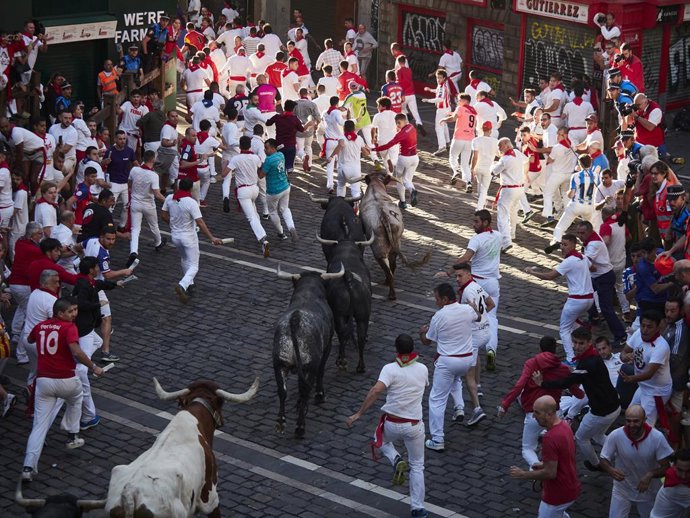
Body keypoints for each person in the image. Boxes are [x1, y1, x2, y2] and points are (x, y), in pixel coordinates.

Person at [20, 297, 104, 482]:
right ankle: (72, 434)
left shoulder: (41, 326)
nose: (74, 314)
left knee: (39, 426)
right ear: (59, 313)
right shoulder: (69, 328)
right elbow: (77, 351)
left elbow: (30, 339)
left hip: (44, 382)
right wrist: (94, 367)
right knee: (76, 399)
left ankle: (28, 466)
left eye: (75, 310)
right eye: (70, 311)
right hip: (66, 379)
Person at [346, 334, 430, 518]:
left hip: (392, 423)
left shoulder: (389, 369)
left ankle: (395, 459)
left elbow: (376, 390)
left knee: (380, 440)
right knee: (417, 466)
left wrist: (359, 413)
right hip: (415, 426)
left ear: (396, 350)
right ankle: (418, 508)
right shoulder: (423, 369)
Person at [533, 327, 621, 473]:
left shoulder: (586, 363)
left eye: (581, 343)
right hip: (613, 406)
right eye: (575, 342)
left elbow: (566, 383)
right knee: (598, 435)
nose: (577, 347)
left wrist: (542, 383)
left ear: (589, 343)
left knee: (581, 438)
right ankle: (620, 454)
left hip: (601, 411)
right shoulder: (593, 357)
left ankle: (597, 464)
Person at [419, 283, 484, 453]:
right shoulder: (466, 309)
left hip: (448, 362)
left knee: (437, 399)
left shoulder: (439, 316)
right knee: (456, 380)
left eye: (437, 298)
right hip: (467, 360)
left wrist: (421, 332)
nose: (436, 301)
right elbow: (478, 316)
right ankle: (459, 407)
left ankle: (437, 438)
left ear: (445, 299)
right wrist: (473, 307)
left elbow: (427, 341)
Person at [525, 234, 594, 361]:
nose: (562, 247)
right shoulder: (583, 257)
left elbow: (550, 276)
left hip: (577, 300)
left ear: (574, 245)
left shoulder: (569, 261)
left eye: (565, 245)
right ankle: (585, 335)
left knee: (564, 329)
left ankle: (571, 358)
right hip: (589, 299)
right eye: (561, 244)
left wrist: (532, 272)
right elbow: (593, 267)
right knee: (573, 321)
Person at [509, 395, 581, 517]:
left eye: (537, 413)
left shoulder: (550, 438)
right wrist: (543, 463)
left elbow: (550, 473)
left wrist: (523, 474)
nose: (533, 416)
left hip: (557, 493)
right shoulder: (564, 426)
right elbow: (564, 457)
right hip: (570, 487)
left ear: (549, 414)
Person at [72, 256, 120, 430]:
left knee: (98, 341)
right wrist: (96, 304)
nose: (99, 269)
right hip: (84, 329)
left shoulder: (89, 281)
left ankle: (81, 361)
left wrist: (116, 284)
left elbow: (100, 285)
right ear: (92, 269)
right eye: (96, 267)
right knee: (82, 371)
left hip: (88, 328)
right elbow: (82, 303)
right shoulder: (83, 285)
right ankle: (82, 364)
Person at [600, 405, 673, 518]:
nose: (631, 425)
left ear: (644, 420)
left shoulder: (657, 438)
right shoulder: (616, 435)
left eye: (636, 421)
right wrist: (610, 470)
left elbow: (666, 467)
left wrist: (650, 474)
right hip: (622, 489)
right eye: (628, 421)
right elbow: (604, 458)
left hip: (648, 491)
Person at [161, 178, 223, 303]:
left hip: (175, 236)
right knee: (194, 265)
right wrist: (211, 237)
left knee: (184, 259)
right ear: (190, 189)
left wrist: (172, 225)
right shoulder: (191, 202)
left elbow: (163, 215)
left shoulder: (169, 198)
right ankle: (183, 284)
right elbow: (199, 222)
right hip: (188, 237)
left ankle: (190, 283)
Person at [83, 224, 133, 362]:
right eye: (108, 239)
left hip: (85, 281)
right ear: (101, 237)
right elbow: (108, 275)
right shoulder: (103, 254)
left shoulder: (91, 241)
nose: (111, 242)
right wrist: (124, 271)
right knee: (107, 317)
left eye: (113, 239)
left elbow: (78, 247)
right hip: (96, 286)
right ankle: (104, 351)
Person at [576, 220, 627, 348]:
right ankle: (594, 319)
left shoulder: (594, 244)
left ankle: (621, 335)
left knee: (606, 308)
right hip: (597, 276)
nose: (580, 236)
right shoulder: (591, 238)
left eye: (582, 233)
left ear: (589, 231)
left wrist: (573, 257)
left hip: (604, 277)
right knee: (588, 295)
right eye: (578, 233)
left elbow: (586, 262)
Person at [620, 311, 672, 428]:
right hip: (643, 386)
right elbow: (624, 351)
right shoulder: (638, 333)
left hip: (656, 391)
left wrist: (630, 378)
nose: (645, 330)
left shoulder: (661, 346)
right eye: (643, 325)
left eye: (649, 327)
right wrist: (625, 357)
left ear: (657, 328)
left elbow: (649, 374)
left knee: (644, 426)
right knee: (630, 415)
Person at [454, 263, 494, 409]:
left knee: (468, 374)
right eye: (456, 276)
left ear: (469, 275)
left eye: (460, 275)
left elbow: (465, 315)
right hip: (486, 332)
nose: (457, 279)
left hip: (475, 336)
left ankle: (477, 407)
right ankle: (478, 385)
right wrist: (483, 317)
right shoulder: (476, 286)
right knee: (476, 357)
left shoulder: (467, 293)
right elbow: (491, 304)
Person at [225, 136, 270, 256]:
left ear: (240, 146)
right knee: (254, 212)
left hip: (243, 191)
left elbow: (224, 173)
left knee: (251, 217)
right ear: (250, 145)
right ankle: (260, 232)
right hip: (254, 188)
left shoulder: (236, 159)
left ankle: (263, 239)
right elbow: (261, 168)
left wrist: (229, 165)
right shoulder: (255, 157)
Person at [547, 154, 600, 248]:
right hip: (589, 206)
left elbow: (571, 194)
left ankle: (556, 240)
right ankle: (589, 245)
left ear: (579, 164)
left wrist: (567, 193)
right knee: (590, 228)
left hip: (576, 205)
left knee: (561, 226)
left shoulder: (575, 176)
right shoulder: (596, 176)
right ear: (590, 163)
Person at [371, 113, 419, 210]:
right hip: (415, 158)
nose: (397, 126)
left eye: (397, 124)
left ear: (399, 122)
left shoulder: (401, 134)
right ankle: (412, 190)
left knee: (400, 180)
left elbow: (388, 145)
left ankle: (403, 201)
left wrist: (373, 150)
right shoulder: (411, 127)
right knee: (408, 179)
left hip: (404, 159)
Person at [127, 149, 166, 265]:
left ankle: (133, 251)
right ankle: (158, 242)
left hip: (135, 203)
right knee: (154, 225)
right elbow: (157, 194)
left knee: (135, 229)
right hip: (148, 204)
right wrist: (168, 201)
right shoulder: (153, 175)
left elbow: (129, 184)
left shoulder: (134, 170)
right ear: (153, 159)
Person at [490, 138, 528, 252]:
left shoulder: (505, 159)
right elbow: (526, 160)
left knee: (502, 216)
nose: (499, 148)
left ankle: (506, 242)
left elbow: (493, 172)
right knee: (513, 212)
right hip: (520, 188)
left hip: (508, 190)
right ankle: (512, 234)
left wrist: (493, 164)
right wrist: (523, 174)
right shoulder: (516, 152)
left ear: (506, 145)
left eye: (500, 146)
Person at [662, 296, 689, 447]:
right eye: (666, 310)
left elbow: (676, 359)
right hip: (667, 378)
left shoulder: (680, 330)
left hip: (674, 380)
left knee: (674, 414)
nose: (668, 314)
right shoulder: (670, 326)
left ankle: (675, 445)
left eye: (672, 311)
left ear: (680, 311)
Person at [259, 139, 297, 241]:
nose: (264, 150)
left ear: (272, 148)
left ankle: (281, 233)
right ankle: (291, 227)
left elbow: (261, 175)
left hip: (273, 191)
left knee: (272, 212)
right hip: (285, 187)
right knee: (285, 209)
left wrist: (260, 165)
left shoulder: (268, 160)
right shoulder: (281, 155)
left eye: (266, 148)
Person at [541, 126, 577, 227]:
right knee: (565, 194)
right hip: (568, 174)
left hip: (558, 174)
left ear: (565, 135)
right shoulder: (572, 144)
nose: (557, 136)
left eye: (559, 134)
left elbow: (550, 160)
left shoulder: (557, 147)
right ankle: (569, 217)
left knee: (548, 192)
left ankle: (549, 216)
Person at [327, 119, 369, 200]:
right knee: (356, 190)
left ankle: (340, 202)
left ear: (344, 128)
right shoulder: (359, 138)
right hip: (355, 169)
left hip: (343, 168)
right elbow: (366, 154)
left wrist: (331, 156)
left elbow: (341, 145)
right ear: (354, 128)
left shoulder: (342, 137)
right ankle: (356, 204)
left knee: (341, 186)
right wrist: (367, 149)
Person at [441, 93, 476, 189]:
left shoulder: (460, 108)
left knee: (453, 157)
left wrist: (444, 119)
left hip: (459, 138)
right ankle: (468, 182)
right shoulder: (473, 111)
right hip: (470, 139)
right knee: (465, 163)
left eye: (460, 100)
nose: (458, 101)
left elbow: (454, 118)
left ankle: (456, 171)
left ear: (465, 101)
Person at [102, 130, 136, 231]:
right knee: (110, 207)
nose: (122, 141)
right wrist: (105, 162)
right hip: (113, 183)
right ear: (116, 139)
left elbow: (135, 163)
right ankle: (107, 226)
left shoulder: (129, 151)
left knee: (126, 207)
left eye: (124, 139)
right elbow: (102, 164)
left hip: (125, 184)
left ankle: (121, 226)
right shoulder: (110, 151)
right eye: (120, 139)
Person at [267, 100, 312, 174]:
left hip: (279, 145)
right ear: (293, 109)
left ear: (284, 107)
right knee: (289, 167)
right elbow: (302, 130)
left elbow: (268, 123)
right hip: (291, 146)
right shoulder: (294, 119)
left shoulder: (278, 117)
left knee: (280, 166)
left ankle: (283, 179)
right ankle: (287, 176)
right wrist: (308, 124)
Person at [423, 69, 455, 156]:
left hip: (442, 110)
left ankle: (442, 146)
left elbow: (440, 98)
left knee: (438, 128)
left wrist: (428, 100)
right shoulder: (442, 85)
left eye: (440, 78)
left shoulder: (442, 87)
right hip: (446, 108)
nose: (438, 79)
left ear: (444, 78)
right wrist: (430, 90)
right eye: (437, 77)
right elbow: (438, 91)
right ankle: (447, 143)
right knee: (444, 125)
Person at [650, 449, 690, 517]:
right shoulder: (678, 489)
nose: (683, 476)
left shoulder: (672, 473)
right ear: (673, 466)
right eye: (680, 470)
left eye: (689, 471)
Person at [470, 121, 498, 209]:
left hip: (478, 167)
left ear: (482, 129)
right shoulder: (495, 141)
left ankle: (481, 203)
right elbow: (499, 154)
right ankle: (479, 208)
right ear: (491, 130)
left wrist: (472, 168)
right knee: (484, 189)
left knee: (480, 186)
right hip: (488, 168)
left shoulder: (476, 140)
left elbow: (475, 156)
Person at [395, 56, 425, 134]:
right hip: (411, 93)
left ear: (398, 62)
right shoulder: (409, 70)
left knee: (402, 109)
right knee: (415, 111)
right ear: (405, 62)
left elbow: (399, 83)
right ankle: (419, 123)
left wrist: (401, 93)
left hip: (404, 94)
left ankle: (407, 125)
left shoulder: (398, 71)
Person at [116, 89, 149, 155]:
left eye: (137, 97)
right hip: (123, 129)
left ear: (140, 98)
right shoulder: (127, 104)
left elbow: (146, 121)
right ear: (131, 98)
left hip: (134, 132)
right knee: (119, 148)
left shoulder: (144, 109)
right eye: (134, 97)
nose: (136, 99)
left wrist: (141, 129)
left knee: (130, 153)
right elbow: (119, 112)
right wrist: (116, 104)